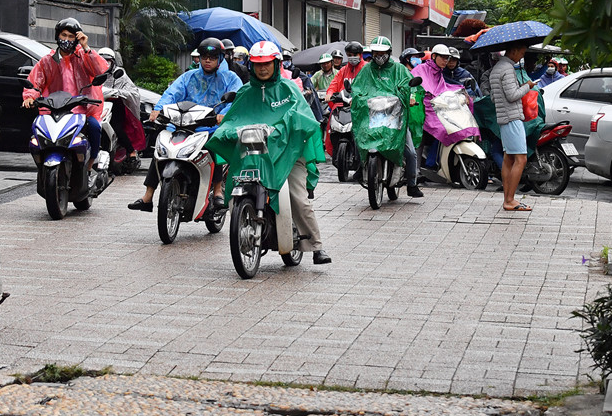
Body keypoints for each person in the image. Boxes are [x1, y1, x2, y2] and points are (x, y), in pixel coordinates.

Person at [206, 40, 331, 264]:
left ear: (276, 63)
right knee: (234, 185)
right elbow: (234, 118)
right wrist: (225, 131)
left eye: (267, 64)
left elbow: (302, 115)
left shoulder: (289, 89)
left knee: (298, 197)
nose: (262, 68)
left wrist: (281, 129)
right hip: (254, 154)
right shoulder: (245, 92)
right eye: (257, 64)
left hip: (288, 154)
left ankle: (316, 245)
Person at [128, 38, 243, 211]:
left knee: (216, 144)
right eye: (204, 56)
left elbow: (236, 98)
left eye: (212, 56)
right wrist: (158, 109)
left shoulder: (230, 78)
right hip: (185, 125)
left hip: (210, 127)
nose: (208, 60)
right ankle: (148, 196)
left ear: (220, 58)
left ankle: (218, 191)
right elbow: (171, 93)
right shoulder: (189, 76)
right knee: (162, 146)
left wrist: (222, 114)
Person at [22, 18, 109, 174]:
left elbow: (100, 70)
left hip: (82, 110)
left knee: (95, 128)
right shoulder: (47, 61)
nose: (67, 40)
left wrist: (86, 46)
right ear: (57, 36)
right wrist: (29, 97)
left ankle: (89, 166)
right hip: (54, 110)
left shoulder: (83, 56)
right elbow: (36, 82)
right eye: (64, 35)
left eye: (71, 36)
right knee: (36, 132)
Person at [350, 36, 422, 197]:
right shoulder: (366, 70)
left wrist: (411, 97)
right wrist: (355, 98)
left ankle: (412, 183)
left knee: (410, 152)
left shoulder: (399, 69)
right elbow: (357, 88)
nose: (378, 56)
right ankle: (360, 167)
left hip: (396, 117)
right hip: (372, 117)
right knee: (357, 138)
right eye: (375, 52)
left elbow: (411, 86)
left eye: (382, 52)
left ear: (389, 52)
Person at [489, 44, 538, 212]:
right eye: (522, 52)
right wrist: (528, 86)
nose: (521, 56)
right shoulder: (508, 69)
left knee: (508, 158)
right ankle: (510, 199)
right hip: (512, 118)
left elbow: (494, 97)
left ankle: (507, 198)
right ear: (514, 50)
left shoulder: (496, 68)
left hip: (503, 118)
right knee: (521, 159)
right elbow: (512, 95)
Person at [412, 44, 476, 169]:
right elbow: (415, 87)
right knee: (438, 131)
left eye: (448, 58)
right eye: (443, 57)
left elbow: (443, 89)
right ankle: (417, 170)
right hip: (421, 109)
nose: (446, 61)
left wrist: (462, 93)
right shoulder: (421, 69)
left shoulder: (439, 73)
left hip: (437, 108)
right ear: (434, 56)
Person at [97, 47, 145, 170]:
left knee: (117, 127)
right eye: (101, 60)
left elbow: (132, 92)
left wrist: (117, 92)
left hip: (115, 105)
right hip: (96, 105)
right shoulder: (93, 72)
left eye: (107, 60)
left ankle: (131, 151)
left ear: (112, 62)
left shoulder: (120, 74)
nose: (104, 63)